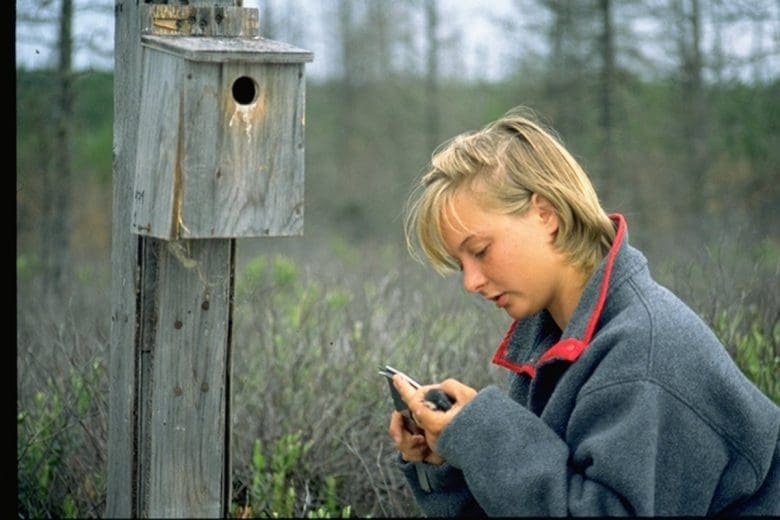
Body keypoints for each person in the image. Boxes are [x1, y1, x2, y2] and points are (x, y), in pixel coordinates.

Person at [388, 106, 780, 516]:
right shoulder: (556, 343)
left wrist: (485, 438)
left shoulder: (642, 354)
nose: (471, 281)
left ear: (546, 214)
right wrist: (451, 458)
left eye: (481, 251)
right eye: (460, 264)